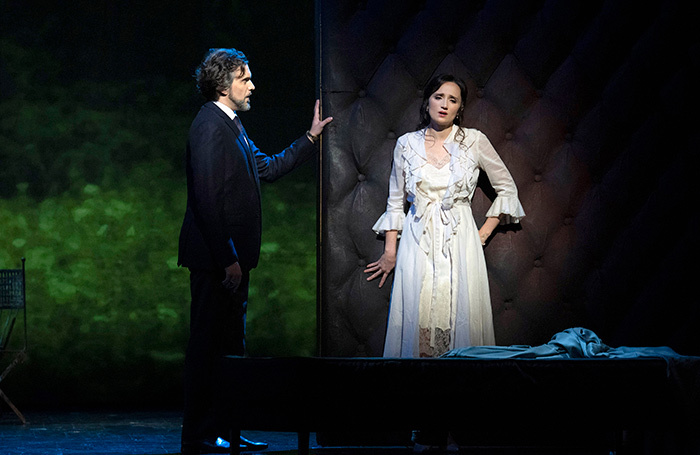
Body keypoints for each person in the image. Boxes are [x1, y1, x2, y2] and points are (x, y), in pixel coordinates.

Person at [177, 48, 332, 455]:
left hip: (231, 262)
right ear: (223, 84)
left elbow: (268, 168)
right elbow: (207, 200)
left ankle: (226, 429)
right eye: (245, 78)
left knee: (229, 350)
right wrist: (228, 258)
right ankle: (198, 436)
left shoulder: (231, 124)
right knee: (208, 349)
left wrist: (310, 138)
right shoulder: (210, 126)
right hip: (217, 261)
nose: (252, 86)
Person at [365, 74, 525, 359]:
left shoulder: (474, 141)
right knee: (420, 312)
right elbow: (395, 201)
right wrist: (390, 252)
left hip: (460, 238)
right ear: (427, 101)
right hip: (418, 238)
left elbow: (507, 189)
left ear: (459, 108)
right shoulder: (406, 144)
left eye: (453, 100)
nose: (444, 104)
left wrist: (481, 236)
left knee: (459, 312)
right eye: (439, 97)